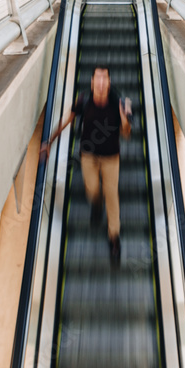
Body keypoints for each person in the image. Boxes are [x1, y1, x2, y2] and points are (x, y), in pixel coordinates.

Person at [42, 67, 132, 264]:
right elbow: (67, 120)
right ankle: (96, 204)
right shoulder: (83, 100)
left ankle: (114, 238)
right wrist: (49, 142)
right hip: (88, 156)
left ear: (108, 83)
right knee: (92, 190)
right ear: (92, 83)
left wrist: (125, 117)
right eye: (97, 79)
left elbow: (126, 133)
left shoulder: (118, 103)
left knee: (112, 195)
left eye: (104, 79)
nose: (100, 82)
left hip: (111, 158)